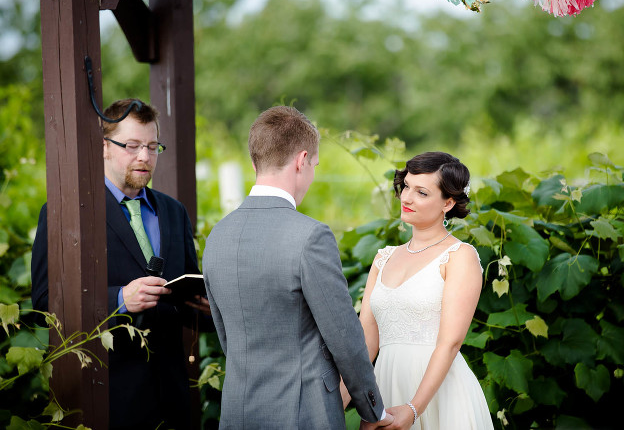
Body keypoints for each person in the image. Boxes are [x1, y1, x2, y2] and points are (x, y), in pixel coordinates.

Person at [201, 106, 392, 430]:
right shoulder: (311, 237)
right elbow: (344, 337)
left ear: (254, 162)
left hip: (236, 413)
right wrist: (374, 410)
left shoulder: (218, 234)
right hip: (303, 414)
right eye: (314, 165)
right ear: (302, 160)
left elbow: (227, 336)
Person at [31, 99, 211, 430]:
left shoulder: (174, 211)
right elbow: (44, 302)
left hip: (173, 398)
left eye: (153, 146)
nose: (144, 156)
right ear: (103, 147)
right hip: (106, 398)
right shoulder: (65, 212)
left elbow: (185, 301)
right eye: (131, 146)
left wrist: (211, 309)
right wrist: (118, 299)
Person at [356, 152, 493, 429]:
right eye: (406, 186)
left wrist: (413, 409)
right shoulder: (383, 258)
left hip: (438, 394)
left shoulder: (459, 256)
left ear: (449, 202)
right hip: (386, 387)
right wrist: (336, 404)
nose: (406, 198)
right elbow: (365, 343)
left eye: (421, 192)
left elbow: (450, 343)